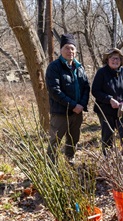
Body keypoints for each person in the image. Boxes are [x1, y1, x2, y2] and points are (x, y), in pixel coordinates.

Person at [46, 33, 90, 163]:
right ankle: (50, 166)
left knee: (73, 139)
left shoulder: (79, 67)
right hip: (61, 112)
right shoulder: (54, 67)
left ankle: (70, 159)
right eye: (66, 48)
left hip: (77, 112)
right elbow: (55, 91)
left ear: (75, 51)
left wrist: (81, 105)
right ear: (61, 50)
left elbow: (86, 87)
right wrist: (73, 105)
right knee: (55, 140)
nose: (70, 51)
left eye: (72, 48)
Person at [92, 48, 123, 155]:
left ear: (121, 61)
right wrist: (109, 99)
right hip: (105, 111)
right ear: (107, 59)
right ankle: (108, 159)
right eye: (112, 58)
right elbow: (95, 91)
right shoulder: (101, 73)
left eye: (118, 59)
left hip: (122, 110)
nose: (115, 61)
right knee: (108, 136)